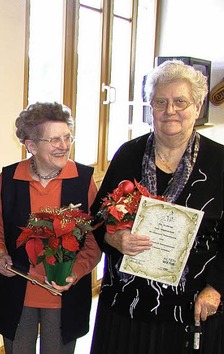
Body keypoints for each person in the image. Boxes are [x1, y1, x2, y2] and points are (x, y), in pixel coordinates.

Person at [90, 61, 224, 353]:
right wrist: (113, 237)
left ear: (198, 106)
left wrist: (217, 289)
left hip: (193, 307)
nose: (169, 110)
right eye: (160, 101)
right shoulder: (128, 154)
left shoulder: (220, 162)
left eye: (180, 102)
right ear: (150, 106)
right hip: (126, 306)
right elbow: (96, 218)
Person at [0, 102, 100, 354]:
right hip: (19, 292)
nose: (64, 145)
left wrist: (76, 272)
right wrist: (0, 253)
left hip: (64, 295)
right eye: (54, 140)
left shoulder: (82, 179)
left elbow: (95, 237)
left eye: (67, 137)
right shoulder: (9, 178)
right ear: (31, 145)